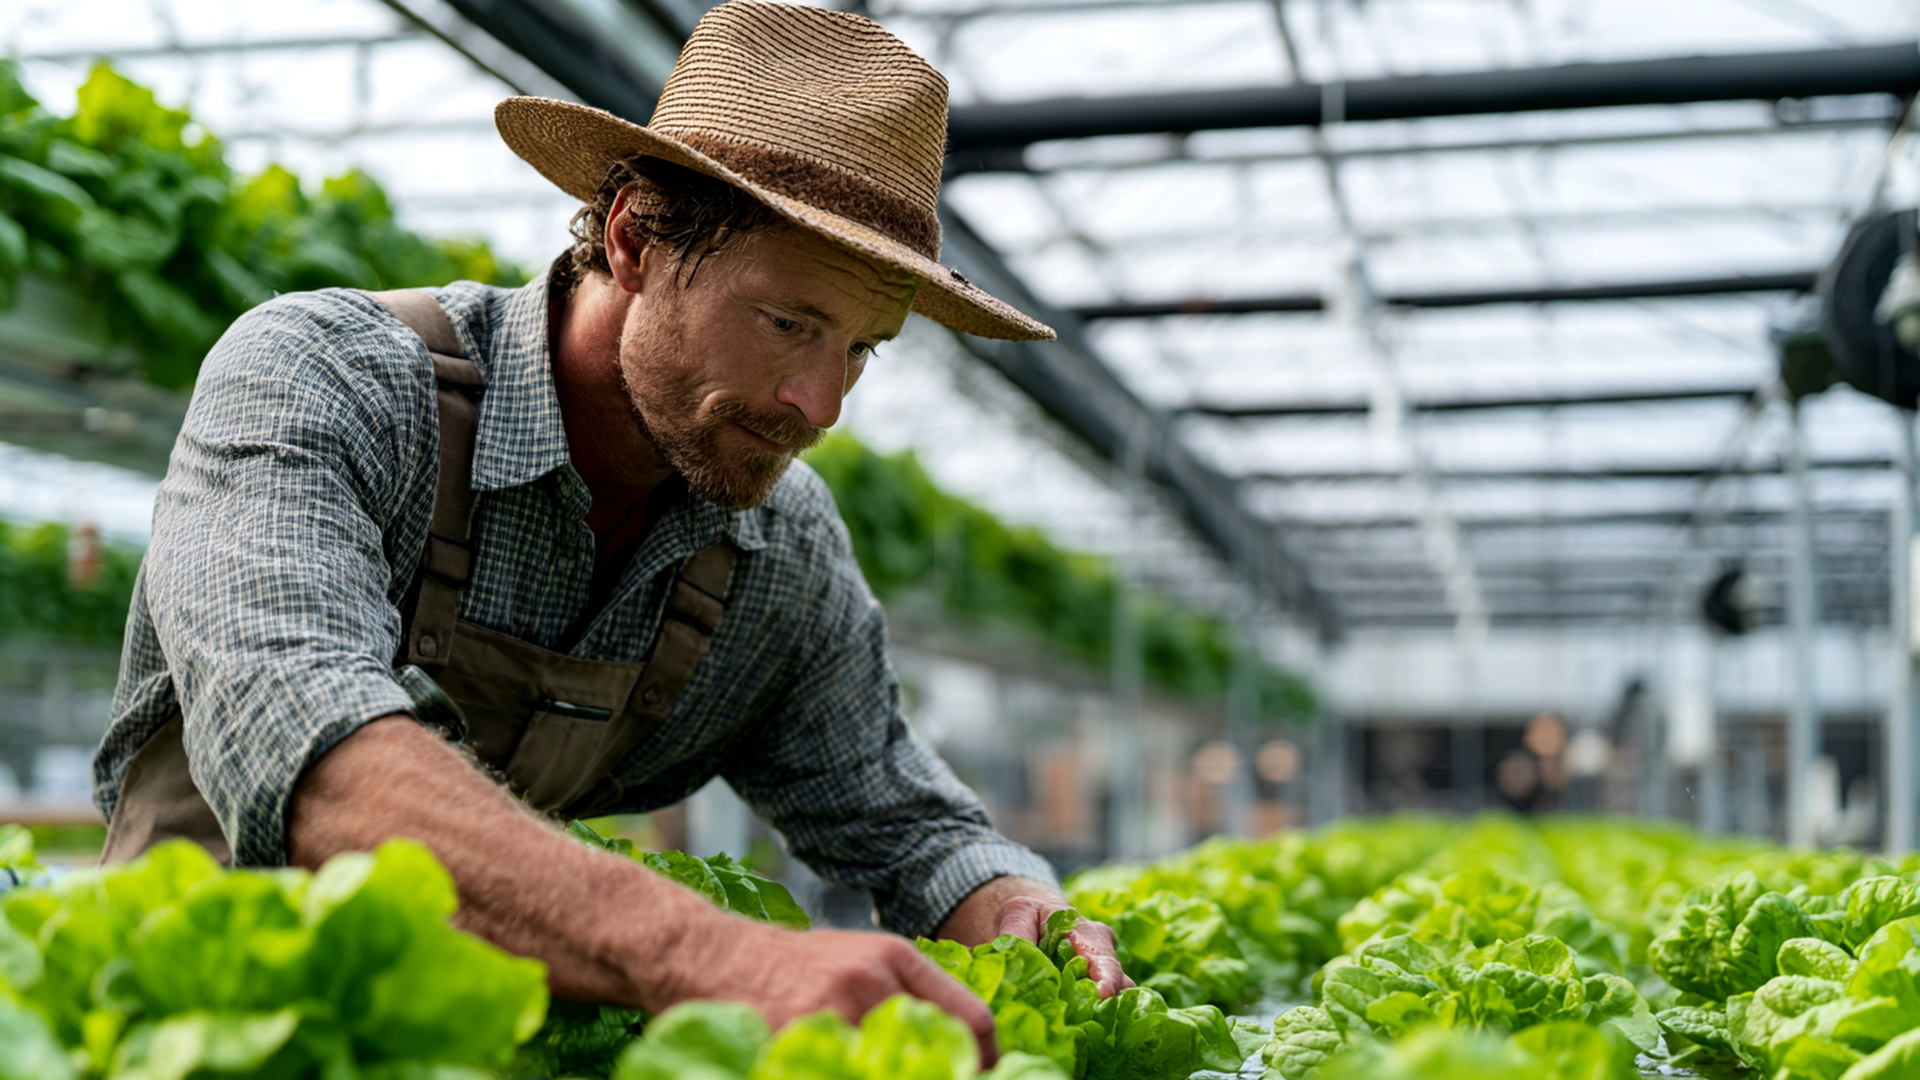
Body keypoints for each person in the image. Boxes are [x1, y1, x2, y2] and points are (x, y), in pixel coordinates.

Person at [89, 0, 1132, 1059]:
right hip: (175, 1036)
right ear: (634, 235)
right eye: (789, 323)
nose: (820, 403)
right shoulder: (329, 381)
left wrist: (1013, 908)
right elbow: (308, 744)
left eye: (865, 348)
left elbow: (904, 820)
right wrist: (707, 952)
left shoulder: (780, 548)